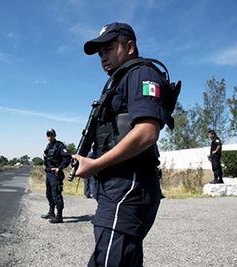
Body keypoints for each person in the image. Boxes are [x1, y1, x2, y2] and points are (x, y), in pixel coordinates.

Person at [72, 22, 179, 266]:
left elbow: (147, 132)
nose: (103, 57)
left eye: (109, 49)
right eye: (100, 54)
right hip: (116, 186)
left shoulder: (141, 74)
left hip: (129, 185)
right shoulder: (119, 80)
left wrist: (96, 164)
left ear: (129, 47)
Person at [41, 128, 71, 223]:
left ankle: (59, 216)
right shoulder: (48, 146)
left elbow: (67, 158)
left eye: (51, 135)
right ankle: (51, 212)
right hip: (49, 173)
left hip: (55, 174)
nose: (49, 137)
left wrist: (60, 168)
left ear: (55, 135)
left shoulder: (59, 145)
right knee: (49, 193)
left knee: (56, 194)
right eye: (48, 135)